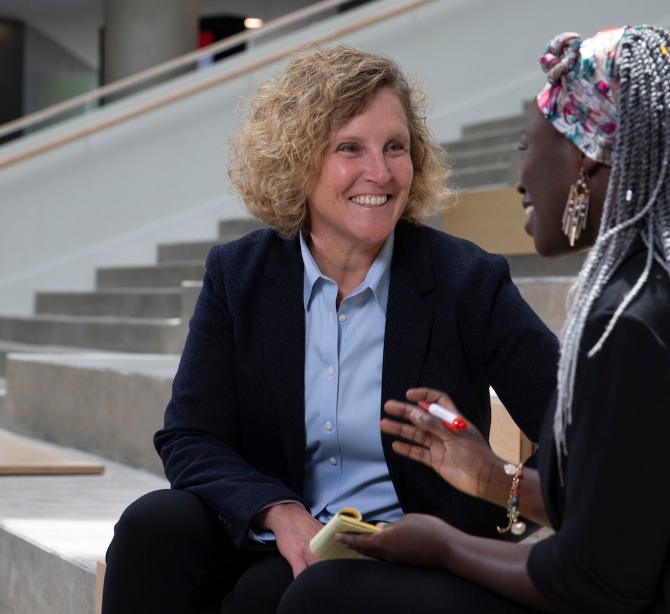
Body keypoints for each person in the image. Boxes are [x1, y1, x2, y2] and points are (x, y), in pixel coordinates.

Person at [278, 25, 670, 613]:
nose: (521, 180)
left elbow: (597, 580)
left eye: (527, 147)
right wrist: (488, 475)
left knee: (323, 596)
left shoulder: (630, 321)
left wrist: (442, 545)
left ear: (583, 156)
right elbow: (629, 506)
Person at [101, 45, 560, 613]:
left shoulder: (467, 281)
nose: (381, 172)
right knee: (153, 525)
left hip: (407, 553)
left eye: (396, 147)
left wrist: (502, 507)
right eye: (350, 148)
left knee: (264, 599)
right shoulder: (238, 274)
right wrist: (277, 510)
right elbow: (190, 437)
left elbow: (575, 421)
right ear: (297, 161)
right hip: (282, 536)